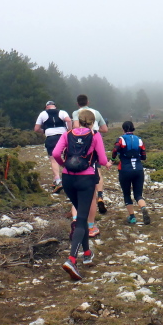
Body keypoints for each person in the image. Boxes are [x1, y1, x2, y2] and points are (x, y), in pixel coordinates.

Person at [53, 109, 111, 280]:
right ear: (92, 123)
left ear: (78, 120)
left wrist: (64, 164)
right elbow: (102, 160)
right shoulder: (95, 135)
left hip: (68, 179)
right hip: (86, 180)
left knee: (82, 216)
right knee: (81, 219)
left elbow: (55, 153)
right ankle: (72, 260)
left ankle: (87, 253)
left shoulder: (67, 134)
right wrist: (107, 163)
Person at [71, 94, 109, 236]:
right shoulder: (96, 112)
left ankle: (76, 220)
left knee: (77, 192)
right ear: (88, 102)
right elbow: (105, 129)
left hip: (78, 148)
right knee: (97, 169)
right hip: (94, 141)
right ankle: (100, 194)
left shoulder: (76, 113)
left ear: (77, 103)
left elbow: (75, 127)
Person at [112, 121, 150, 225]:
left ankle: (132, 217)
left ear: (123, 129)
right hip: (138, 169)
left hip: (125, 169)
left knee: (127, 194)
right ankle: (143, 207)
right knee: (138, 194)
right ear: (133, 128)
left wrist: (112, 159)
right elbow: (144, 156)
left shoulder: (121, 139)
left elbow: (115, 151)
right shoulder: (139, 140)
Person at [34, 100, 72, 193]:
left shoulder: (43, 114)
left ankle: (58, 180)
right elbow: (68, 120)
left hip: (51, 138)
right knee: (67, 157)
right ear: (55, 106)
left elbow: (36, 128)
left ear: (46, 107)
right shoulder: (62, 112)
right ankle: (70, 178)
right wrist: (69, 130)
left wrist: (44, 131)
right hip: (63, 136)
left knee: (53, 159)